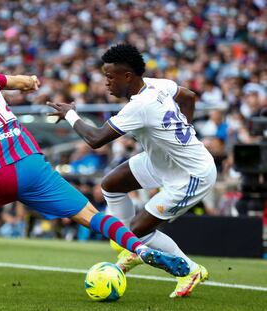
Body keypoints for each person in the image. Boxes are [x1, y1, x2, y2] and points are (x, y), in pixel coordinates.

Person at [0, 44, 189, 303]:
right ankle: (141, 249)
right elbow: (20, 82)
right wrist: (31, 81)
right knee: (92, 215)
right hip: (29, 163)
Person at [47, 44, 217, 298]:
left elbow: (95, 139)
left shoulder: (140, 106)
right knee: (111, 185)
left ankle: (190, 270)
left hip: (191, 174)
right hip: (161, 161)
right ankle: (131, 246)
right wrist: (182, 131)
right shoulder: (156, 84)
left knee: (133, 233)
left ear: (127, 76)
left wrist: (71, 114)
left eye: (109, 77)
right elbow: (189, 96)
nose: (106, 83)